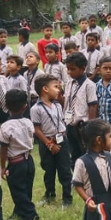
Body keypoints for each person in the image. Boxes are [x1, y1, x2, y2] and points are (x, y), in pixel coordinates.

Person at [31, 74, 73, 208]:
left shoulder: (57, 105)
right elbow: (37, 129)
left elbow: (61, 122)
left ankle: (67, 198)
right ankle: (50, 194)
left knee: (65, 169)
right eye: (55, 87)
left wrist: (60, 137)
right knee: (48, 170)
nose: (58, 90)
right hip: (46, 142)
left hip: (61, 141)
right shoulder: (36, 109)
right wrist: (49, 144)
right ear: (45, 89)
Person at [0, 89, 39, 220]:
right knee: (26, 189)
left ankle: (30, 215)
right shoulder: (28, 122)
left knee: (17, 192)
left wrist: (3, 166)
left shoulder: (5, 127)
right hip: (29, 160)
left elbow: (3, 150)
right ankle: (19, 212)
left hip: (16, 163)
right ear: (25, 106)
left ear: (6, 106)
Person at [64, 52, 98, 167]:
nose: (69, 72)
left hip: (82, 124)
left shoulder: (90, 85)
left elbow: (92, 105)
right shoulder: (69, 83)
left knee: (85, 152)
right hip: (69, 123)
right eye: (68, 69)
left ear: (83, 68)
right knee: (73, 153)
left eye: (72, 69)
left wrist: (90, 126)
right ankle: (77, 179)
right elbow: (67, 102)